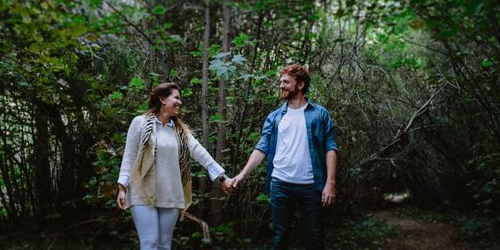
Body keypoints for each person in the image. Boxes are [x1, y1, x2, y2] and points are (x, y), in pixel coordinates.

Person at [231, 64, 338, 250]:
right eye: (281, 82)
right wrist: (242, 175)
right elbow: (261, 148)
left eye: (286, 82)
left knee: (315, 238)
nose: (281, 85)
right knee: (280, 237)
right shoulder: (275, 117)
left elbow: (330, 148)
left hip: (312, 187)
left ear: (300, 85)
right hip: (280, 184)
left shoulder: (319, 114)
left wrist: (330, 183)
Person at [117, 82, 234, 250]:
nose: (180, 102)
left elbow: (200, 153)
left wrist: (222, 177)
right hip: (142, 192)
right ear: (163, 99)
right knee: (149, 244)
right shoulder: (140, 123)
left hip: (170, 193)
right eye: (176, 98)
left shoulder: (180, 131)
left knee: (164, 245)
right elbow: (129, 156)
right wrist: (122, 186)